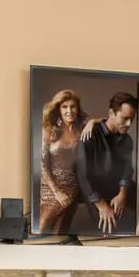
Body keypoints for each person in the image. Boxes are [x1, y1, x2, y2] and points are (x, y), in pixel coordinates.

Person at [75, 92, 137, 234]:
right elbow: (83, 175)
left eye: (132, 119)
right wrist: (102, 205)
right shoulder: (89, 134)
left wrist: (123, 194)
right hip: (94, 191)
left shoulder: (127, 140)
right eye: (125, 118)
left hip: (116, 189)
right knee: (108, 227)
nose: (129, 124)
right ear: (111, 113)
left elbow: (127, 170)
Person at [36, 89, 85, 234]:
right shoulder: (49, 130)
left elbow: (104, 121)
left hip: (71, 187)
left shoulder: (81, 130)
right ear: (58, 109)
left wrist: (93, 122)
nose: (69, 111)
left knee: (58, 231)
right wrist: (56, 192)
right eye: (64, 107)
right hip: (50, 187)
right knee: (41, 227)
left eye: (73, 106)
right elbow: (42, 164)